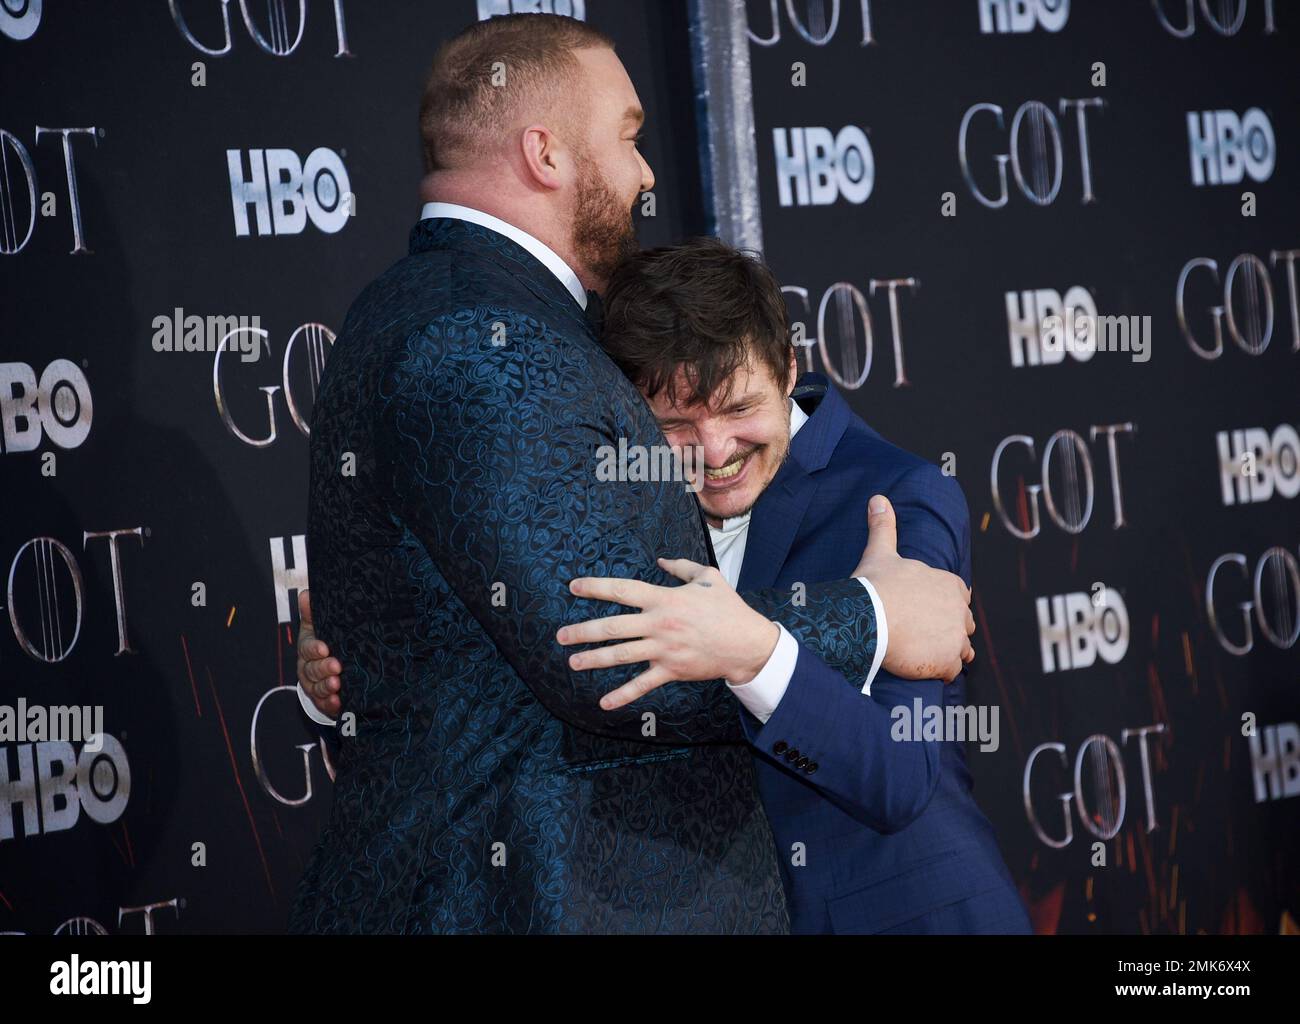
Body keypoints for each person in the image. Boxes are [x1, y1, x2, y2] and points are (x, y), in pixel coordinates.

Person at [290, 14, 973, 935]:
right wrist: (877, 615)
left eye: (739, 409)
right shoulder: (490, 337)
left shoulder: (439, 313)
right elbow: (601, 645)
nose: (648, 171)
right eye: (629, 134)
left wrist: (361, 666)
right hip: (529, 896)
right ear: (546, 152)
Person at [302, 238, 1029, 934]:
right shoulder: (622, 499)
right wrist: (364, 664)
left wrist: (755, 654)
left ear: (788, 367)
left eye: (741, 408)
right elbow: (561, 655)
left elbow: (896, 777)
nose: (715, 453)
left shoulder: (897, 497)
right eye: (676, 424)